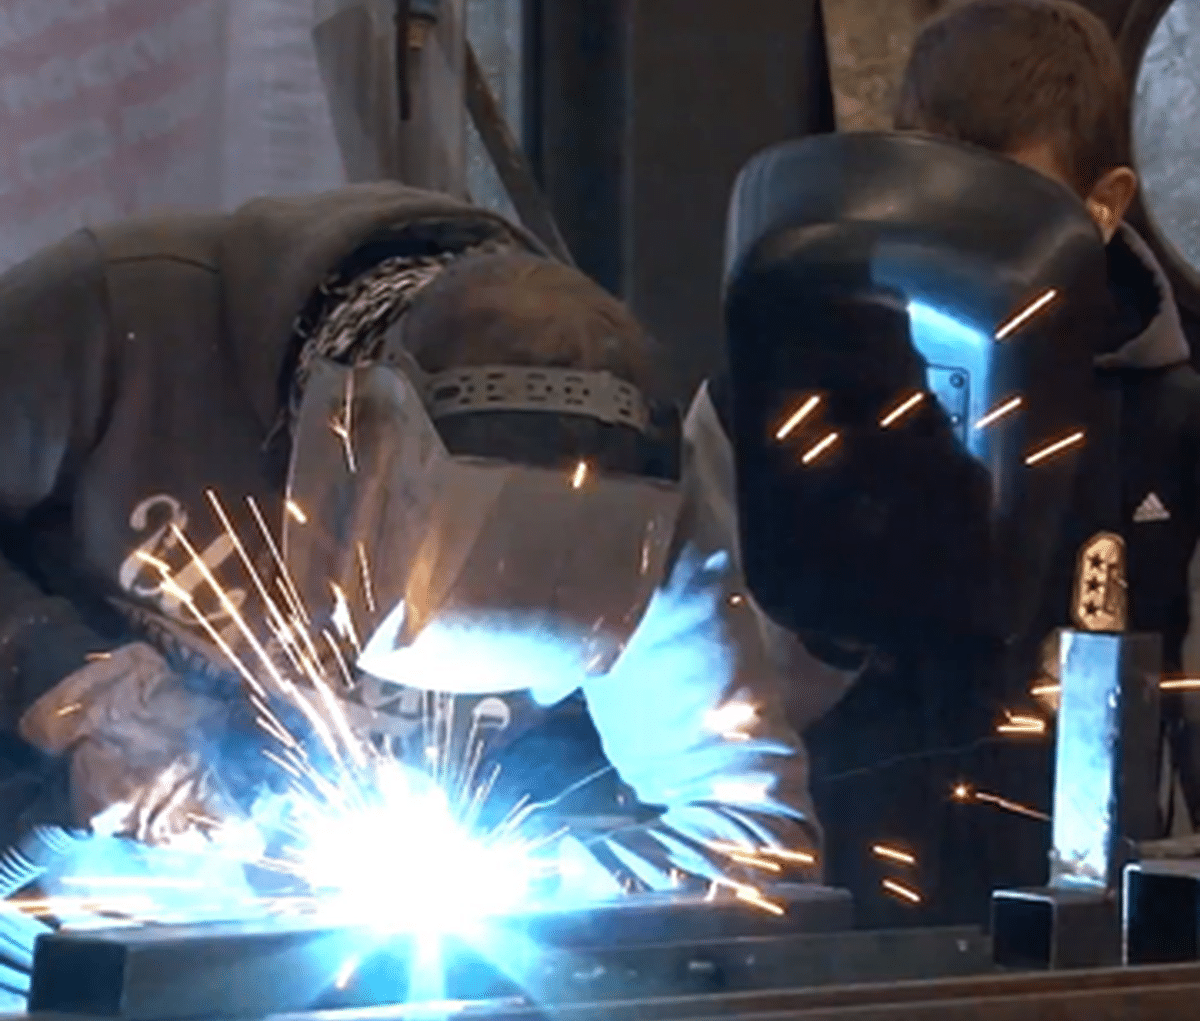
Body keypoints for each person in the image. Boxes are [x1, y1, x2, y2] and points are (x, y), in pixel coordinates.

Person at [0, 184, 819, 911]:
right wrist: (68, 682)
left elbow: (756, 846)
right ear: (343, 450)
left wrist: (517, 888)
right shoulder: (111, 322)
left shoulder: (632, 496)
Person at [685, 0, 1200, 925]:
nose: (975, 256)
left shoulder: (1177, 426)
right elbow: (715, 709)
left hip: (1093, 942)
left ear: (1104, 206)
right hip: (833, 913)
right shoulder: (772, 397)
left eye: (1010, 217)